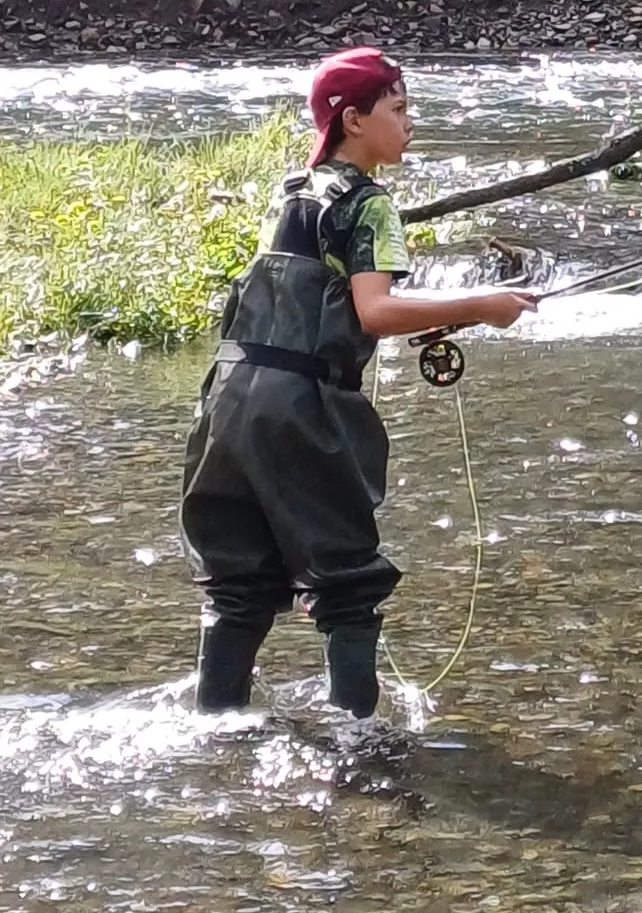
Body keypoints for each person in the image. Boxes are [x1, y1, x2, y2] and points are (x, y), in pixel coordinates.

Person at [181, 47, 537, 717]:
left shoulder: (292, 192)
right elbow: (376, 311)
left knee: (239, 583)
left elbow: (317, 307)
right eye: (398, 109)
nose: (411, 123)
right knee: (346, 582)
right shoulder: (371, 206)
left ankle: (216, 725)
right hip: (296, 414)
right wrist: (482, 306)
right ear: (352, 120)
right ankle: (361, 741)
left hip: (226, 403)